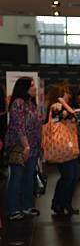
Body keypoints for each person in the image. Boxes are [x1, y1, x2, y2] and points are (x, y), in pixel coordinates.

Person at [5, 77, 42, 221]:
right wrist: (26, 146)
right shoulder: (18, 103)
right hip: (20, 146)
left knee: (29, 177)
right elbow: (19, 126)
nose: (35, 88)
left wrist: (39, 145)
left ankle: (27, 206)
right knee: (17, 177)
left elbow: (38, 125)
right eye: (32, 85)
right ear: (24, 87)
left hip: (32, 147)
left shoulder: (31, 103)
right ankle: (14, 209)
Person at [45, 83, 80, 216]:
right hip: (62, 149)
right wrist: (62, 103)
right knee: (68, 176)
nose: (69, 95)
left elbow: (76, 118)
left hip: (69, 148)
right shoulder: (56, 106)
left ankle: (66, 203)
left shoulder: (65, 107)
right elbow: (69, 116)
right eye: (67, 92)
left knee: (73, 176)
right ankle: (58, 204)